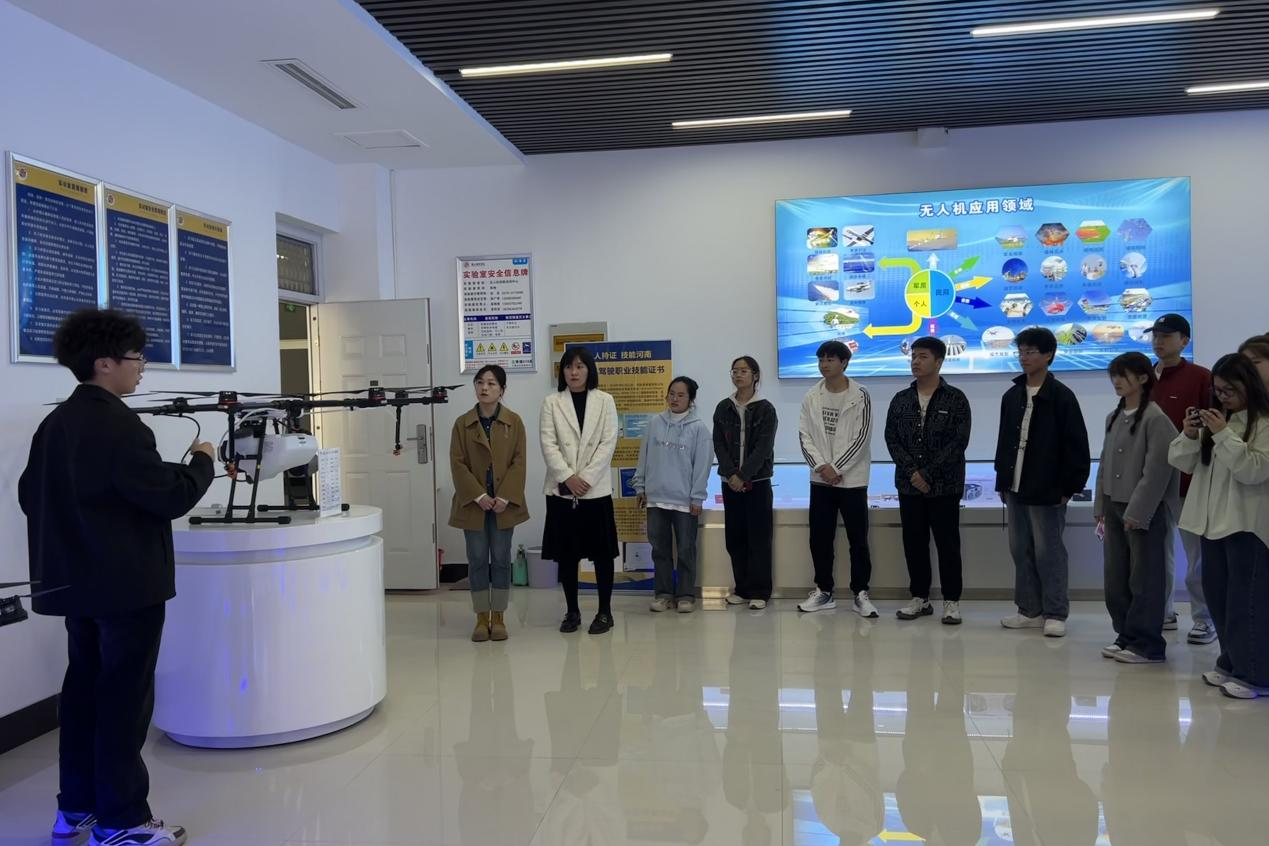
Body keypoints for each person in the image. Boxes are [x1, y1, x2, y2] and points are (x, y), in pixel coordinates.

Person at [18, 309, 215, 846]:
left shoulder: (55, 424)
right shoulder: (121, 426)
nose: (142, 367)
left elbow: (31, 495)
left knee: (83, 694)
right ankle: (122, 821)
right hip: (127, 588)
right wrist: (201, 461)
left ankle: (75, 809)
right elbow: (169, 496)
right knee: (124, 702)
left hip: (75, 586)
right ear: (104, 363)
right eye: (137, 358)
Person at [1169, 354, 1269, 699]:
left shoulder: (1263, 423)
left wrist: (1223, 434)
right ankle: (1230, 662)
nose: (1224, 397)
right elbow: (1181, 462)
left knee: (1247, 603)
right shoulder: (1216, 422)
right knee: (1219, 599)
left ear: (1249, 386)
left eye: (1230, 390)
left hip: (1247, 526)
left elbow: (1253, 470)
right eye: (1219, 391)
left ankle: (1256, 674)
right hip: (1210, 525)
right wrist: (1189, 433)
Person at [995, 326, 1090, 638]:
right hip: (1015, 485)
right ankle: (1029, 609)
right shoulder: (1012, 396)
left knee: (1049, 551)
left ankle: (1055, 612)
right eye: (1021, 351)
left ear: (1048, 355)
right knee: (1019, 548)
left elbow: (1076, 445)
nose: (1024, 357)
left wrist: (1069, 487)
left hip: (1047, 487)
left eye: (1031, 352)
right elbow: (1004, 441)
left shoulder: (1061, 396)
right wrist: (1002, 480)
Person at [1093, 352, 1180, 664]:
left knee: (1145, 579)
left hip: (1143, 511)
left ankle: (1148, 644)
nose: (1117, 381)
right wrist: (1100, 504)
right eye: (1114, 375)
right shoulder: (1113, 417)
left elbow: (1157, 471)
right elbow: (1104, 463)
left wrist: (1138, 512)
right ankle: (1126, 635)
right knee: (1116, 577)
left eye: (1124, 375)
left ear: (1143, 378)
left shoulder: (1156, 418)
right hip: (1114, 505)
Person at [884, 336, 972, 625]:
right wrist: (913, 472)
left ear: (938, 361)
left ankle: (951, 601)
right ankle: (919, 598)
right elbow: (892, 439)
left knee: (948, 545)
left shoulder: (955, 398)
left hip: (945, 486)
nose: (916, 362)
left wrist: (928, 474)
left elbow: (958, 442)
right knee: (914, 544)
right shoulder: (901, 399)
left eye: (922, 356)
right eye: (913, 356)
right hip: (909, 486)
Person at [539, 347, 620, 635]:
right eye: (568, 367)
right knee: (567, 554)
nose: (573, 372)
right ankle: (572, 611)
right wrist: (568, 477)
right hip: (562, 491)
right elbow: (548, 444)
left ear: (589, 370)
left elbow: (608, 443)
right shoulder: (551, 402)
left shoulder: (605, 401)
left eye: (580, 366)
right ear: (562, 371)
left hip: (594, 490)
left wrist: (584, 478)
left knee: (602, 554)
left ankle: (605, 612)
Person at [448, 364, 529, 642]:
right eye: (480, 382)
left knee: (502, 560)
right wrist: (479, 495)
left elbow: (519, 462)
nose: (485, 388)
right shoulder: (462, 423)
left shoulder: (514, 422)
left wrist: (505, 496)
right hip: (474, 505)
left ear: (502, 390)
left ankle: (500, 616)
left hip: (504, 505)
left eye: (492, 383)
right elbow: (457, 464)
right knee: (478, 560)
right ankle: (482, 618)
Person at [797, 340, 877, 617]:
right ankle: (824, 591)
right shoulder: (811, 395)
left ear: (844, 363)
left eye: (830, 359)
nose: (824, 364)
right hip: (821, 480)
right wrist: (822, 467)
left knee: (858, 539)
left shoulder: (861, 394)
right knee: (820, 538)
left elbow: (862, 438)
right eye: (821, 359)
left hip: (852, 480)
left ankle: (861, 593)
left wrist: (837, 468)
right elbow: (804, 436)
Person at [1149, 313, 1215, 644]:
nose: (1158, 341)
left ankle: (1204, 618)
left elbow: (1213, 426)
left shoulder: (1201, 377)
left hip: (1189, 481)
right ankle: (1163, 612)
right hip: (1151, 482)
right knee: (1156, 553)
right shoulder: (1146, 377)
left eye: (1166, 335)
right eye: (1156, 335)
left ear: (1184, 341)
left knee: (1196, 556)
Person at [632, 377, 713, 613]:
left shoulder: (699, 429)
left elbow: (702, 466)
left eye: (681, 395)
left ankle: (686, 595)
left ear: (691, 399)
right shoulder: (654, 423)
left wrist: (697, 497)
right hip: (656, 499)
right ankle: (663, 594)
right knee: (660, 550)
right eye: (671, 394)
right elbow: (644, 457)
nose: (675, 399)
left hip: (684, 502)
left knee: (686, 550)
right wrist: (640, 486)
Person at [713, 356, 778, 610]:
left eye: (744, 371)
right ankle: (741, 588)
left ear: (755, 375)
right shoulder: (723, 407)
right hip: (730, 483)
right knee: (735, 538)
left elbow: (763, 448)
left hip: (757, 482)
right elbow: (718, 443)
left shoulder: (765, 409)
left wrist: (743, 475)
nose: (738, 375)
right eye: (735, 371)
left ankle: (760, 591)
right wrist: (731, 474)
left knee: (759, 539)